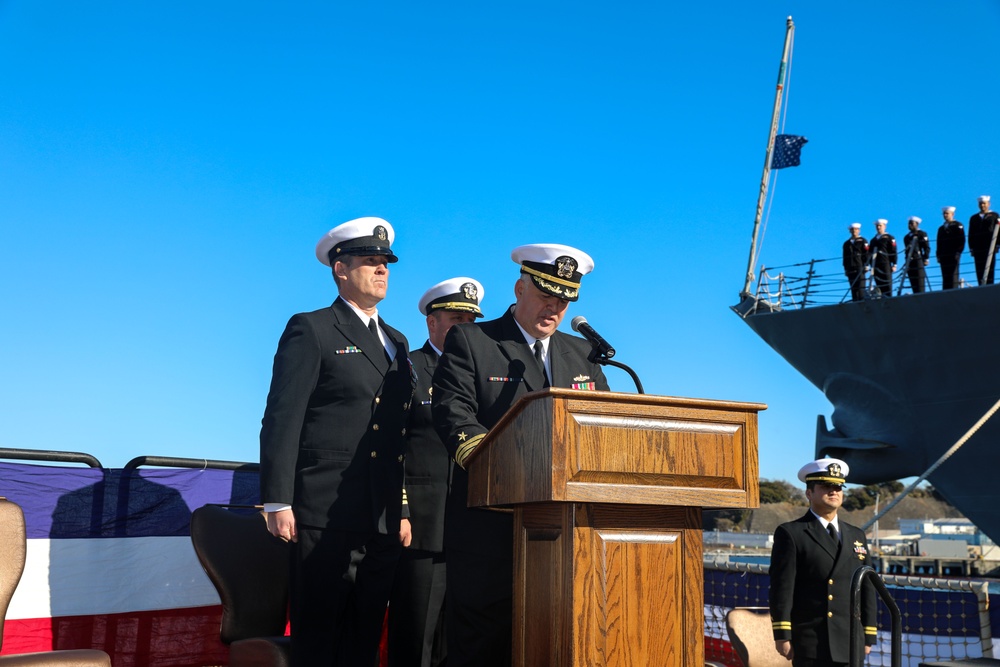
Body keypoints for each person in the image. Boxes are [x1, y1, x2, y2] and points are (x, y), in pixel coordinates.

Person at [431, 244, 610, 667]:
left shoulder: (582, 353)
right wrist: (493, 463)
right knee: (483, 647)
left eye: (563, 300)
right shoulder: (474, 340)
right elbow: (453, 410)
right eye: (546, 295)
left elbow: (603, 423)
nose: (554, 307)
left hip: (562, 534)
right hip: (491, 526)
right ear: (519, 288)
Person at [259, 217, 414, 666]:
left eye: (385, 262)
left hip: (381, 514)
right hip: (324, 511)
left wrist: (401, 508)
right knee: (321, 637)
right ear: (340, 269)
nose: (382, 269)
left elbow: (397, 434)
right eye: (370, 261)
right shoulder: (312, 328)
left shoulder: (398, 342)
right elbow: (282, 417)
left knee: (364, 638)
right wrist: (276, 499)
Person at [388, 277, 486, 667]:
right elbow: (389, 446)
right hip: (423, 528)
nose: (464, 329)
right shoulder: (406, 369)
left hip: (474, 527)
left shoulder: (480, 374)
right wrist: (401, 508)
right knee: (417, 638)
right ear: (432, 323)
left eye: (470, 321)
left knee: (461, 639)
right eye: (455, 319)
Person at [769, 457, 878, 666]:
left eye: (838, 486)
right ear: (809, 493)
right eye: (826, 486)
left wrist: (868, 633)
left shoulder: (856, 535)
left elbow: (867, 588)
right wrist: (782, 634)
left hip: (850, 639)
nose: (834, 491)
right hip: (812, 640)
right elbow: (782, 588)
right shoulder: (792, 533)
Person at [968, 195, 999, 285]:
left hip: (990, 245)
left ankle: (989, 285)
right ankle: (980, 285)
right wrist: (971, 248)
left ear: (988, 204)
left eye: (984, 204)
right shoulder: (974, 218)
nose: (982, 205)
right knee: (979, 268)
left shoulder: (994, 215)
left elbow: (998, 231)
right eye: (981, 204)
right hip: (978, 246)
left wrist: (997, 245)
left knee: (990, 267)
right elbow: (971, 233)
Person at [936, 206, 965, 290]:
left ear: (952, 214)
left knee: (953, 275)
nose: (945, 215)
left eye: (947, 213)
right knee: (945, 276)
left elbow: (961, 240)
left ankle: (954, 291)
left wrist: (958, 252)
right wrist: (938, 255)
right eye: (944, 214)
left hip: (953, 254)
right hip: (943, 255)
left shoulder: (957, 225)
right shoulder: (941, 228)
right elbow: (939, 242)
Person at [868, 219, 896, 297]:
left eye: (880, 225)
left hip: (886, 263)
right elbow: (869, 254)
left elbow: (893, 251)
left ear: (884, 226)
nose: (878, 227)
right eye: (877, 226)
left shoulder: (889, 238)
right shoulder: (873, 240)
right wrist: (870, 266)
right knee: (879, 285)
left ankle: (888, 298)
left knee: (887, 283)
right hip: (876, 265)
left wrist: (894, 264)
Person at [902, 216, 930, 294]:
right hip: (910, 262)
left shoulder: (921, 234)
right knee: (913, 282)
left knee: (920, 283)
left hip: (918, 259)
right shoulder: (906, 237)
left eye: (912, 223)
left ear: (917, 224)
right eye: (909, 223)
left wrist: (926, 258)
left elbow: (926, 247)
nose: (910, 225)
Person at [842, 223, 868, 302]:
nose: (854, 231)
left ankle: (861, 300)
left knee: (861, 286)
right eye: (852, 230)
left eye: (856, 229)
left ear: (859, 230)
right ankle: (855, 300)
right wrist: (845, 269)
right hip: (850, 267)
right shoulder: (847, 243)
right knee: (853, 287)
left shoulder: (863, 241)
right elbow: (845, 257)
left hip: (860, 265)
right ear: (850, 231)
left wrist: (866, 265)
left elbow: (866, 253)